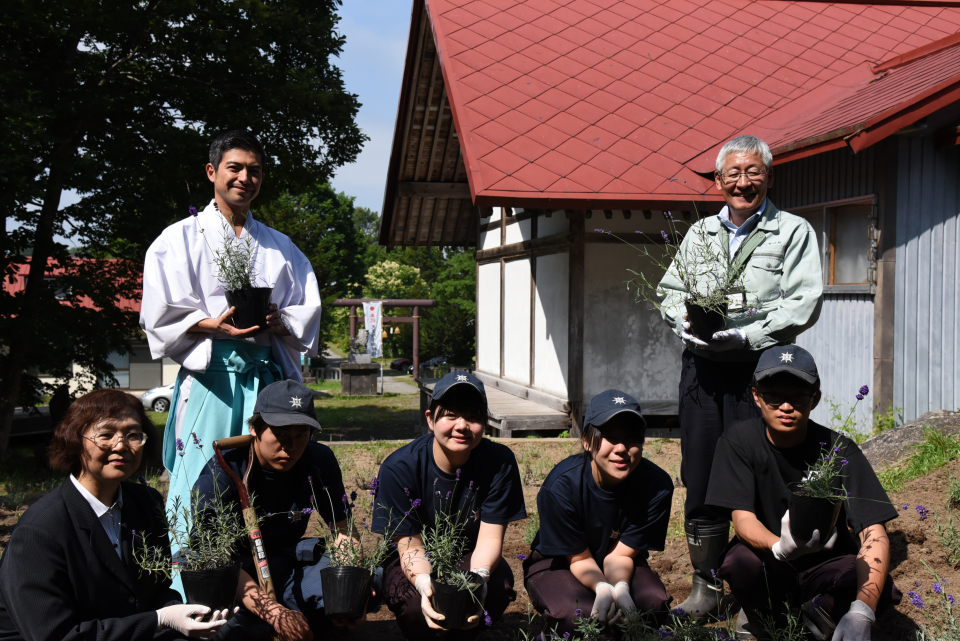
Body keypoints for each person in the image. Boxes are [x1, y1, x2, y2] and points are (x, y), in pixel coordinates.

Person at [657, 135, 824, 618]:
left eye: (752, 172)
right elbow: (670, 290)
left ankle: (762, 584)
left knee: (762, 468)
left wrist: (748, 337)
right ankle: (706, 587)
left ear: (768, 177)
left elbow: (804, 300)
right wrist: (684, 323)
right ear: (718, 181)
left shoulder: (792, 231)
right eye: (732, 174)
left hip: (763, 371)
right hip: (702, 372)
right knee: (703, 472)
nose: (742, 182)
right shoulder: (700, 234)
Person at [139, 130, 323, 558]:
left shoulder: (281, 246)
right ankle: (194, 586)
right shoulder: (177, 239)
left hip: (266, 382)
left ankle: (261, 583)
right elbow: (158, 311)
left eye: (254, 171)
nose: (245, 177)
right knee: (201, 484)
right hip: (211, 382)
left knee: (261, 486)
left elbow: (307, 308)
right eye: (235, 168)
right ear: (212, 172)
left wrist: (280, 322)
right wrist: (210, 325)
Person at [0, 389, 231, 641]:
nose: (121, 445)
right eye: (106, 435)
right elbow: (55, 635)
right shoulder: (40, 531)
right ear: (76, 441)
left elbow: (158, 590)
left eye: (133, 435)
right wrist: (159, 619)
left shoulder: (145, 501)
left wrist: (190, 616)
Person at [706, 345, 900, 640]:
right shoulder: (739, 441)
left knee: (878, 586)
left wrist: (863, 610)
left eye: (798, 395)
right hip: (768, 560)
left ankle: (821, 619)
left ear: (815, 399)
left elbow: (874, 532)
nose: (786, 406)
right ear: (757, 396)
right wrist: (778, 547)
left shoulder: (840, 450)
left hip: (828, 565)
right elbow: (742, 518)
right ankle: (766, 621)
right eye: (774, 395)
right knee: (739, 564)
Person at [191, 379, 370, 641]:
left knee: (369, 581)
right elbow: (215, 560)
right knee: (226, 627)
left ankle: (308, 617)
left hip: (287, 565)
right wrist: (274, 612)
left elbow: (344, 531)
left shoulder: (318, 460)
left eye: (301, 435)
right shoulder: (222, 473)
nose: (291, 447)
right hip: (236, 577)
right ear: (254, 428)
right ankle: (266, 619)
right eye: (281, 434)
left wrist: (352, 590)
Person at [372, 370, 526, 640]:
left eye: (474, 416)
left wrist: (478, 583)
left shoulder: (498, 463)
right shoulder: (399, 468)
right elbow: (410, 545)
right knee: (414, 605)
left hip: (469, 555)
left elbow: (490, 538)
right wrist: (423, 584)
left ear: (485, 424)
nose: (462, 425)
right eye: (451, 415)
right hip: (412, 558)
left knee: (497, 584)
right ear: (430, 420)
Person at [522, 390, 673, 636]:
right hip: (560, 560)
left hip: (620, 558)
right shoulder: (561, 486)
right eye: (610, 438)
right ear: (587, 441)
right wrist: (602, 587)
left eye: (632, 439)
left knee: (653, 604)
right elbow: (579, 559)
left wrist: (621, 588)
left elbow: (621, 556)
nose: (622, 448)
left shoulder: (656, 486)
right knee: (575, 616)